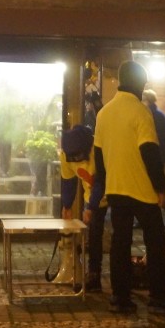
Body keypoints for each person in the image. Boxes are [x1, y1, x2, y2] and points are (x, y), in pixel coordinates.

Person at [91, 61, 165, 315]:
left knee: (120, 245)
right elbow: (150, 153)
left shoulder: (104, 113)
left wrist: (104, 185)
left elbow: (99, 156)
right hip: (142, 189)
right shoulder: (141, 112)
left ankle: (120, 298)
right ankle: (158, 295)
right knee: (155, 243)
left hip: (116, 189)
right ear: (140, 84)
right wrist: (161, 188)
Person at [60, 125, 106, 292]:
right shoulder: (66, 155)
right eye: (74, 158)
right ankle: (94, 275)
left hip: (114, 193)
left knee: (120, 236)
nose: (78, 161)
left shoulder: (98, 150)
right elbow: (68, 180)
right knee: (93, 236)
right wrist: (67, 205)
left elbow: (101, 181)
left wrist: (91, 207)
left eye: (80, 157)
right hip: (92, 197)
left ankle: (122, 276)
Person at [142, 89, 165, 229]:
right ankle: (148, 218)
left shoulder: (156, 116)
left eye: (143, 99)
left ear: (149, 101)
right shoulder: (149, 114)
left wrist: (157, 146)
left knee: (157, 187)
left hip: (156, 156)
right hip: (151, 155)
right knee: (150, 187)